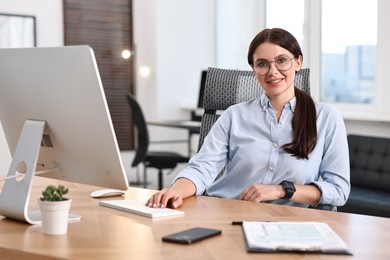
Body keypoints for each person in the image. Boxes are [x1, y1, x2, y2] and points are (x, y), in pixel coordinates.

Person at [146, 28, 350, 209]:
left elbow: (338, 190)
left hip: (287, 222)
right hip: (226, 213)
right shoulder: (234, 115)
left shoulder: (326, 118)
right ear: (254, 70)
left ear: (298, 62)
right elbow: (202, 167)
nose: (273, 71)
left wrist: (282, 190)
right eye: (262, 64)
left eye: (281, 60)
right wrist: (176, 191)